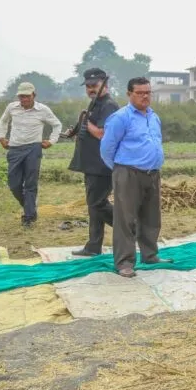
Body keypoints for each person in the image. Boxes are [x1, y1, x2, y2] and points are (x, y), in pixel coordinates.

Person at [100, 77, 172, 278]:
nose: (145, 96)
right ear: (129, 94)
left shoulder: (153, 117)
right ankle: (124, 262)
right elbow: (107, 148)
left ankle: (150, 255)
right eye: (140, 93)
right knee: (126, 219)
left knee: (151, 217)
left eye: (148, 92)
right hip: (128, 173)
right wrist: (118, 170)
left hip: (152, 173)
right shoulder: (120, 117)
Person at [67, 69, 119, 256]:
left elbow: (102, 133)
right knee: (94, 205)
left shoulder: (109, 106)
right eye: (88, 86)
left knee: (97, 203)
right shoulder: (95, 103)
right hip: (91, 164)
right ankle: (93, 246)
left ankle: (131, 229)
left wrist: (85, 122)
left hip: (101, 165)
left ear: (105, 84)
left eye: (94, 85)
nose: (90, 89)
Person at [0, 82, 63, 227]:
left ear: (34, 95)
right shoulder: (11, 107)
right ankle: (31, 208)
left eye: (27, 96)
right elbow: (3, 121)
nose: (24, 99)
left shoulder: (43, 110)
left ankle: (28, 217)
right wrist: (2, 137)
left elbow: (57, 125)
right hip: (14, 148)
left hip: (33, 149)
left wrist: (51, 141)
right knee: (14, 184)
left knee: (30, 184)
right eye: (21, 96)